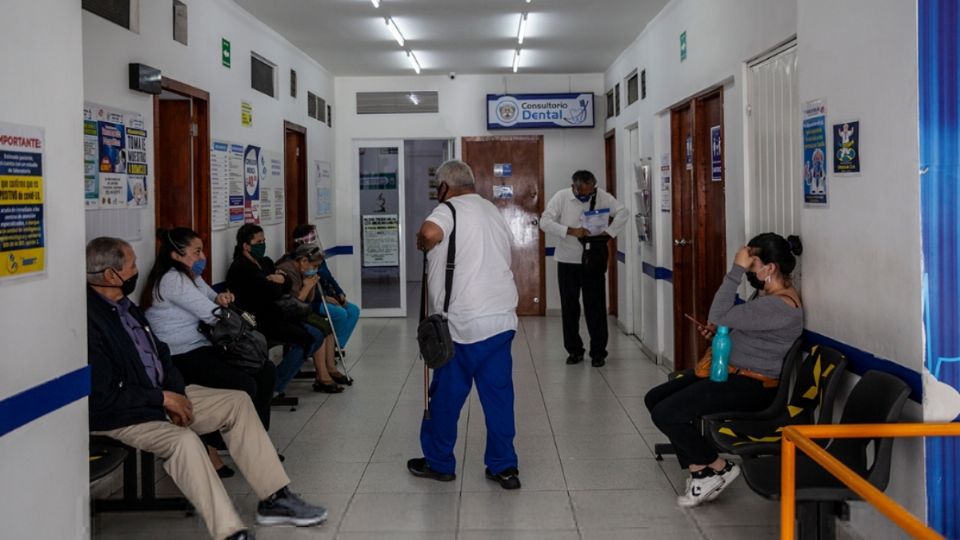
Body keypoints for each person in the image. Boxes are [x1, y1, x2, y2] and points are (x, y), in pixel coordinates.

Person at [86, 237, 327, 540]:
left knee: (238, 401)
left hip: (160, 395)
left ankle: (275, 498)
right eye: (132, 265)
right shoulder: (89, 321)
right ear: (110, 275)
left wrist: (177, 393)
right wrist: (162, 398)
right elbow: (104, 395)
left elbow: (160, 353)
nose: (137, 270)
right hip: (125, 414)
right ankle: (229, 531)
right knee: (184, 441)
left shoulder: (125, 307)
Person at [644, 233, 803, 508]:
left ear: (770, 268)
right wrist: (719, 333)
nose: (749, 272)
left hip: (753, 387)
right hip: (735, 373)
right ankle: (702, 471)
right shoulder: (767, 298)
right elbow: (730, 325)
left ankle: (719, 467)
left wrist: (735, 272)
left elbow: (718, 314)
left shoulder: (779, 306)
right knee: (655, 398)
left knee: (666, 413)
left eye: (752, 266)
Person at [406, 160, 522, 490]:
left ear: (444, 187)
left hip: (463, 323)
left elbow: (429, 233)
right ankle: (504, 467)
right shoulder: (490, 210)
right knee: (499, 397)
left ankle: (439, 462)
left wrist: (423, 241)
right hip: (500, 318)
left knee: (445, 396)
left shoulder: (447, 209)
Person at [141, 228, 278, 477]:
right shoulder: (172, 280)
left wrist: (223, 297)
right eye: (197, 252)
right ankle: (215, 444)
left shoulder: (191, 276)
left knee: (266, 370)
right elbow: (211, 314)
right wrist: (222, 308)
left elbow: (214, 298)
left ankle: (255, 442)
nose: (202, 256)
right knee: (245, 384)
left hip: (202, 346)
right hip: (179, 355)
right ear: (176, 254)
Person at [540, 170, 628, 367]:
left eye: (590, 193)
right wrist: (571, 231)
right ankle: (574, 350)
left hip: (593, 263)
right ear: (574, 187)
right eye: (583, 194)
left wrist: (609, 233)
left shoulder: (603, 196)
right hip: (567, 262)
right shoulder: (561, 197)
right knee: (570, 308)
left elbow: (623, 212)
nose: (587, 197)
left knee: (595, 308)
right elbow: (545, 222)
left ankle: (598, 352)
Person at [225, 224, 321, 395]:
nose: (262, 245)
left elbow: (286, 285)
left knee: (315, 335)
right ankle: (275, 386)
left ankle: (276, 380)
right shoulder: (241, 268)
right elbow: (272, 292)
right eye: (258, 241)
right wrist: (279, 282)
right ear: (246, 245)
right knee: (307, 338)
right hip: (256, 320)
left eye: (264, 241)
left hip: (276, 314)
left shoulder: (264, 262)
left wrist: (280, 279)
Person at [275, 243, 352, 391]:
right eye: (314, 265)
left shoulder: (301, 270)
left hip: (300, 311)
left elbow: (307, 301)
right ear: (304, 261)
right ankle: (322, 376)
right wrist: (307, 286)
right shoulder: (288, 270)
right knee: (320, 329)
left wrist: (311, 285)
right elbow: (293, 304)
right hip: (287, 314)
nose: (315, 269)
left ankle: (330, 368)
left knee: (327, 324)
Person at [291, 224, 361, 353]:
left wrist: (339, 292)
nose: (314, 240)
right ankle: (328, 349)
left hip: (328, 295)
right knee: (340, 314)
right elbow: (306, 286)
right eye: (310, 237)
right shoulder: (300, 261)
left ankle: (336, 346)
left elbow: (329, 278)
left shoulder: (318, 257)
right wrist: (324, 298)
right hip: (315, 300)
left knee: (353, 310)